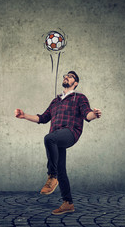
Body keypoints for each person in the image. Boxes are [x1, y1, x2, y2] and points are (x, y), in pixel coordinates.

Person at [14, 71, 101, 215]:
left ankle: (52, 176)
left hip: (70, 132)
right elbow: (42, 118)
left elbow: (87, 114)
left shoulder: (79, 97)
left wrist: (94, 114)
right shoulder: (56, 101)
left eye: (71, 76)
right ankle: (68, 203)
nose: (67, 77)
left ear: (76, 83)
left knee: (49, 138)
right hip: (57, 136)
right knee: (61, 168)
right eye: (65, 76)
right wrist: (24, 116)